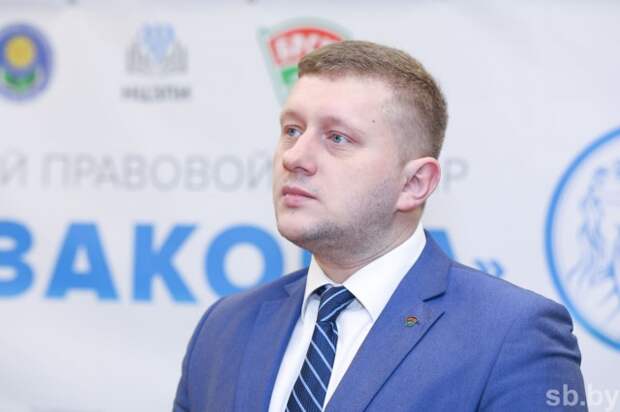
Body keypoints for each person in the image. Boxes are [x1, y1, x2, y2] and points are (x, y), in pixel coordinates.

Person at [173, 40, 586, 411]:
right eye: (292, 130)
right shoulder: (224, 328)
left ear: (414, 184)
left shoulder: (512, 335)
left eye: (337, 138)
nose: (294, 157)